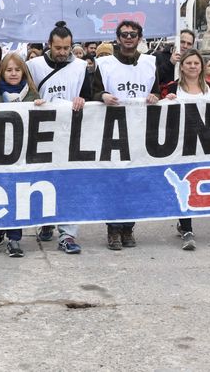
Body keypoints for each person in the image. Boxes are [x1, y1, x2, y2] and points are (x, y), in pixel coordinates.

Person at [91, 19, 162, 251]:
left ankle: (128, 228)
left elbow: (157, 91)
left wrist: (155, 96)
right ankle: (113, 229)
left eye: (133, 34)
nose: (129, 38)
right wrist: (102, 96)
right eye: (124, 34)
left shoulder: (151, 63)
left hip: (141, 130)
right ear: (118, 38)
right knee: (115, 182)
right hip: (113, 131)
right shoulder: (104, 64)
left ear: (140, 37)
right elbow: (92, 90)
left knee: (136, 182)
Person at [25, 21, 91, 254]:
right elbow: (23, 93)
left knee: (69, 183)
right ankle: (45, 220)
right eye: (58, 48)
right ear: (49, 45)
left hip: (69, 133)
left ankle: (68, 234)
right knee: (43, 180)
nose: (63, 52)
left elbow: (89, 96)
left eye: (67, 48)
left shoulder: (81, 67)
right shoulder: (33, 66)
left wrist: (84, 99)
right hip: (40, 132)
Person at [0, 53, 45, 258]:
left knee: (18, 194)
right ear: (1, 72)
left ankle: (14, 239)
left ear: (23, 71)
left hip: (23, 154)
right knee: (2, 191)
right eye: (9, 70)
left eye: (17, 69)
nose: (14, 73)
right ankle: (3, 225)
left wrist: (42, 109)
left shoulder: (32, 93)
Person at [173, 50, 210, 250]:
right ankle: (187, 227)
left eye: (196, 63)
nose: (192, 66)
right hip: (180, 145)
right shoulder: (172, 88)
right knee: (185, 185)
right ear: (182, 66)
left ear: (201, 66)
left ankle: (183, 222)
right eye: (188, 62)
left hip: (203, 145)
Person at [157, 29, 195, 97]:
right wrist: (170, 63)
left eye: (189, 44)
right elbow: (153, 80)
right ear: (176, 41)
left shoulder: (193, 63)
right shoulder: (159, 56)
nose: (185, 46)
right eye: (182, 42)